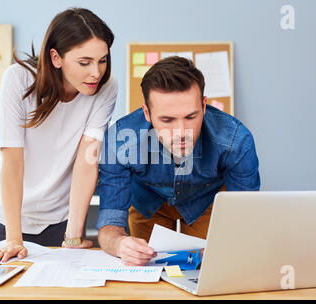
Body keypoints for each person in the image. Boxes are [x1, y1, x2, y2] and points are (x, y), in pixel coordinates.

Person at [0, 8, 117, 262]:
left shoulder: (106, 87)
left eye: (103, 60)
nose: (96, 72)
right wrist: (13, 239)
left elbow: (87, 160)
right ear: (56, 58)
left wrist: (73, 237)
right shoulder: (18, 80)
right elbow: (13, 161)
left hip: (59, 221)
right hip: (5, 220)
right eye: (84, 62)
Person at [96, 56, 260, 266]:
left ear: (203, 105)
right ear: (147, 113)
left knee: (207, 268)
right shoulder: (120, 140)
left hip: (206, 201)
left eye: (191, 117)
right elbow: (109, 225)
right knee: (147, 268)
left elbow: (244, 218)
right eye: (167, 120)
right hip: (148, 203)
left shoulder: (236, 140)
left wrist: (229, 245)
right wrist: (119, 244)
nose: (181, 133)